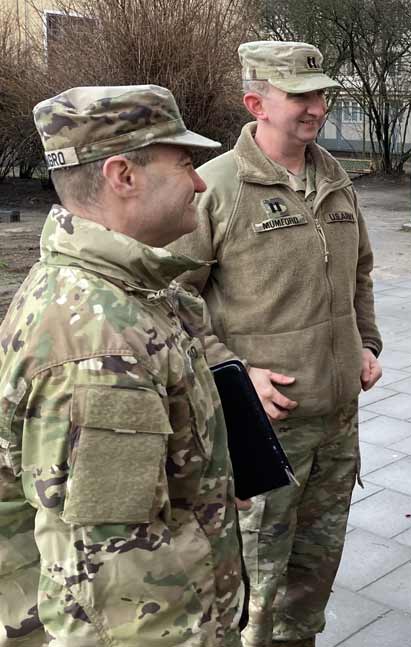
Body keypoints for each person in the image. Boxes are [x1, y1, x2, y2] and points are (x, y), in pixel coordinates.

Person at [0, 85, 244, 645]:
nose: (201, 182)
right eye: (185, 163)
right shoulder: (99, 346)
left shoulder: (130, 290)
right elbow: (125, 596)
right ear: (122, 175)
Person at [167, 41, 382, 647]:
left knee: (313, 579)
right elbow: (171, 300)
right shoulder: (215, 188)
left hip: (338, 423)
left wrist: (367, 343)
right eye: (300, 95)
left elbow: (358, 272)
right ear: (256, 102)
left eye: (321, 94)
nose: (316, 107)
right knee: (256, 588)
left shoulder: (335, 179)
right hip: (266, 430)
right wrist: (233, 372)